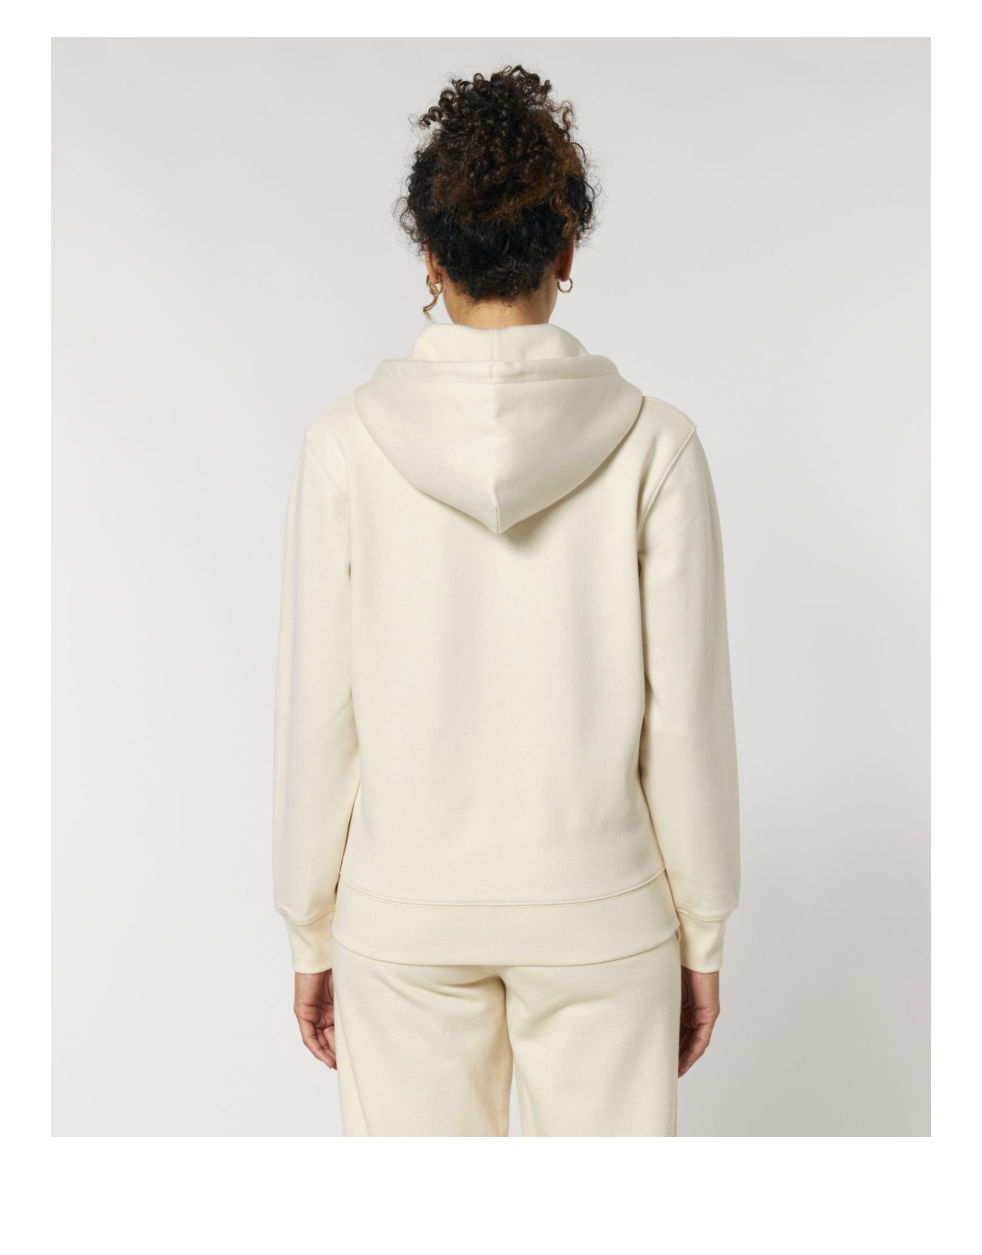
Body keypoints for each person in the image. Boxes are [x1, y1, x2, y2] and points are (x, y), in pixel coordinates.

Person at [273, 65, 740, 1137]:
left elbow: (319, 715)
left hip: (403, 915)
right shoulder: (656, 447)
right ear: (565, 253)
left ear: (430, 259)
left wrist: (310, 926)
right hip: (600, 911)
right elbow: (685, 721)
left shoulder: (344, 448)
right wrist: (701, 931)